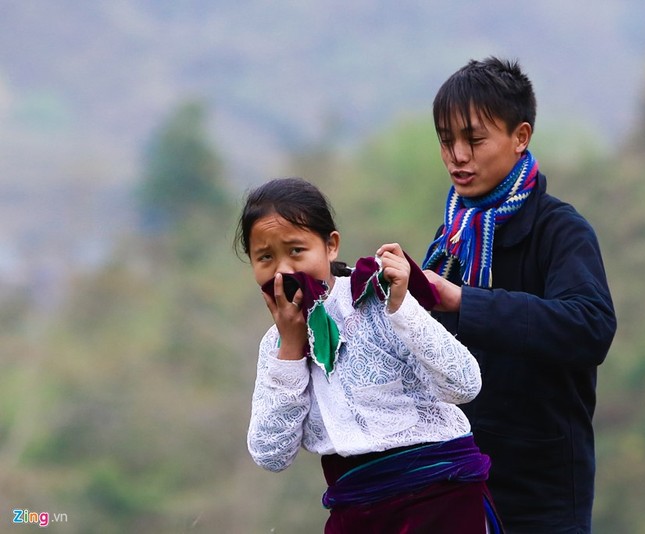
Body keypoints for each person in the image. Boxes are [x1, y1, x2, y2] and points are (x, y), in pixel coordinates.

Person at [236, 177, 504, 533]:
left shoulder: (379, 300)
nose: (283, 270)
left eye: (296, 251)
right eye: (265, 257)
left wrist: (402, 309)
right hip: (357, 510)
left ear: (331, 246)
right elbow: (271, 454)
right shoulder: (276, 346)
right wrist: (290, 348)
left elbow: (465, 385)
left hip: (440, 497)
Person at [422, 57, 617, 533]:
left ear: (520, 136)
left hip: (540, 501)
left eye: (474, 139)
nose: (457, 156)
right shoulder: (450, 239)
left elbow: (590, 327)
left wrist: (463, 302)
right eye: (447, 141)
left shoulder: (561, 231)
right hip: (453, 486)